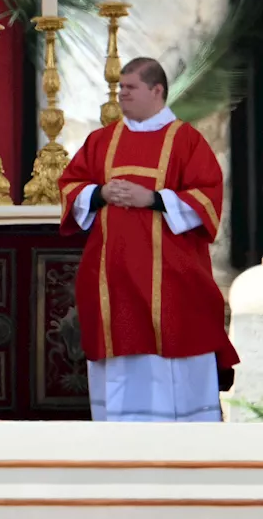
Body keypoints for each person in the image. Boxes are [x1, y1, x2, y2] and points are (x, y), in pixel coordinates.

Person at [59, 56, 237, 422]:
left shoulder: (186, 141)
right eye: (120, 87)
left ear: (157, 91)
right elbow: (70, 186)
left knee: (174, 354)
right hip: (114, 280)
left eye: (130, 87)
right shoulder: (102, 141)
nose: (121, 93)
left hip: (172, 280)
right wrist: (100, 193)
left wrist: (152, 199)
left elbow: (207, 198)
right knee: (120, 350)